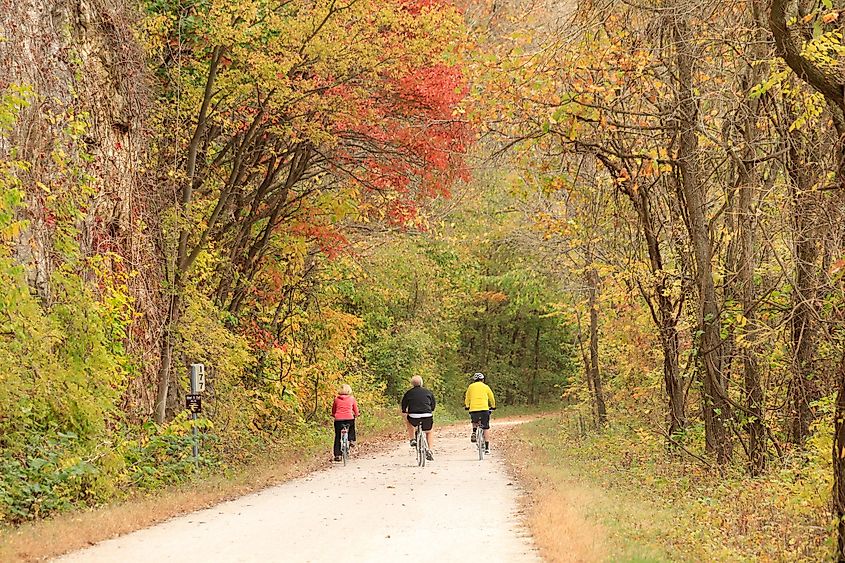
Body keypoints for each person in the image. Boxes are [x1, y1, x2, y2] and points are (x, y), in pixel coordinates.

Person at [400, 375, 436, 461]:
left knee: (408, 421)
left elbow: (403, 406)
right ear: (421, 383)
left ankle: (412, 439)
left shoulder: (408, 393)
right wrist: (430, 409)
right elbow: (433, 405)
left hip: (414, 416)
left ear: (412, 384)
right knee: (429, 431)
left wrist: (404, 411)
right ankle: (430, 450)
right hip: (427, 416)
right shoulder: (428, 392)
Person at [465, 372, 496, 454]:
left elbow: (467, 397)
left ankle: (474, 431)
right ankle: (486, 448)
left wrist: (467, 406)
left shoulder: (470, 387)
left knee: (474, 421)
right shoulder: (486, 387)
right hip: (484, 409)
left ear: (474, 380)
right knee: (485, 428)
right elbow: (491, 397)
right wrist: (493, 406)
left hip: (474, 409)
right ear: (482, 380)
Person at [331, 384, 359, 462]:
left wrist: (333, 415)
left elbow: (333, 409)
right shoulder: (352, 399)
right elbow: (355, 409)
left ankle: (338, 455)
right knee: (352, 426)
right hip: (349, 418)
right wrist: (356, 414)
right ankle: (352, 439)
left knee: (337, 437)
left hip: (338, 420)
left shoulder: (336, 399)